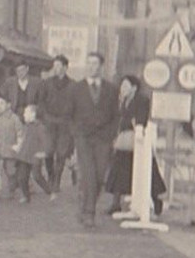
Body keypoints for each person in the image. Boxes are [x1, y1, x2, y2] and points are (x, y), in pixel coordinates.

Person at [69, 51, 120, 228]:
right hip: (83, 137)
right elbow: (70, 114)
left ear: (101, 67)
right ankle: (89, 212)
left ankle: (85, 205)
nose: (91, 67)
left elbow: (116, 115)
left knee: (99, 176)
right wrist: (75, 133)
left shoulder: (111, 89)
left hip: (103, 139)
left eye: (95, 64)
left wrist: (111, 134)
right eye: (89, 63)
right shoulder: (76, 88)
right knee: (89, 174)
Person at [104, 75, 167, 217]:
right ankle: (116, 203)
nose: (122, 88)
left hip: (138, 141)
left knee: (146, 172)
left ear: (134, 87)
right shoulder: (124, 100)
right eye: (122, 86)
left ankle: (156, 199)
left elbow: (141, 118)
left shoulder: (142, 100)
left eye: (126, 86)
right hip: (124, 140)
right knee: (119, 171)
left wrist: (138, 129)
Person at [36, 54, 76, 197]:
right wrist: (45, 117)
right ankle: (51, 176)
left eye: (60, 66)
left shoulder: (73, 85)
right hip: (50, 122)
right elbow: (40, 102)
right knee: (48, 152)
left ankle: (56, 181)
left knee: (61, 153)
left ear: (65, 68)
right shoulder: (46, 83)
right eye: (55, 66)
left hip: (65, 124)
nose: (57, 69)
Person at [11, 103, 53, 203]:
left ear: (33, 114)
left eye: (26, 113)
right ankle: (26, 196)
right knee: (22, 177)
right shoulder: (26, 126)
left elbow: (46, 141)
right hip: (24, 156)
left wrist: (45, 153)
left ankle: (50, 192)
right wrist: (18, 147)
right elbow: (23, 140)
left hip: (35, 155)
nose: (24, 115)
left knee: (37, 176)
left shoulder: (40, 127)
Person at [0, 93, 21, 200]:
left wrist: (18, 145)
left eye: (2, 103)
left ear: (9, 105)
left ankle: (12, 189)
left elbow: (20, 133)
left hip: (10, 149)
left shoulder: (14, 118)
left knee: (11, 171)